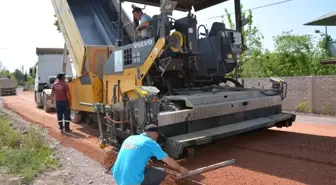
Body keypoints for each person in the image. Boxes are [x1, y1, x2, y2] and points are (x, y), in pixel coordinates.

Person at [112, 124, 189, 185]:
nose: (157, 138)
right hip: (131, 181)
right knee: (161, 173)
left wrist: (146, 160)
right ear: (155, 134)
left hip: (117, 175)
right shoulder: (150, 143)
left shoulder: (131, 138)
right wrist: (181, 168)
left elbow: (132, 154)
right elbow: (168, 160)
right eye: (157, 136)